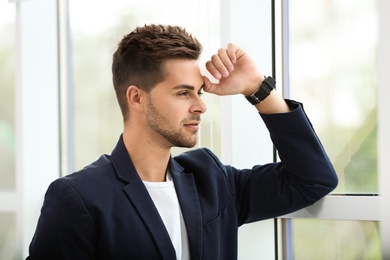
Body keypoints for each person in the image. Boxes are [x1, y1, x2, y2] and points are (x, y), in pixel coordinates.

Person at [26, 24, 338, 260]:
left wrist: (258, 88)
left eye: (199, 92)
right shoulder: (78, 197)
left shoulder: (212, 180)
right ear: (136, 97)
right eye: (183, 92)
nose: (200, 106)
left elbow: (312, 179)